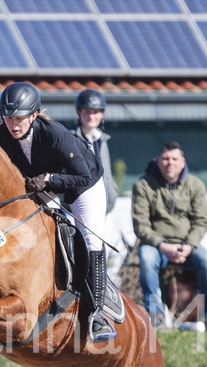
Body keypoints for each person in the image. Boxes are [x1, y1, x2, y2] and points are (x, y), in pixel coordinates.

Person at [0, 82, 115, 342]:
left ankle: (97, 315)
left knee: (91, 239)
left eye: (19, 119)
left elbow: (81, 176)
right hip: (43, 185)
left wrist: (48, 180)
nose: (13, 125)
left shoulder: (54, 134)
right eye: (8, 118)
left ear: (34, 115)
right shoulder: (2, 135)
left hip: (84, 185)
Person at [131, 142, 207, 330]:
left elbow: (201, 221)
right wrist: (162, 245)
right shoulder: (144, 184)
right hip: (156, 245)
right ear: (159, 161)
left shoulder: (195, 185)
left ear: (182, 161)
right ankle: (156, 317)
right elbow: (141, 225)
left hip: (188, 245)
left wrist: (189, 245)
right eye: (166, 158)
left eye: (174, 159)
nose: (170, 163)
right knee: (146, 259)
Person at [69, 88, 131, 282]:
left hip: (106, 207)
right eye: (87, 111)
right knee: (81, 254)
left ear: (102, 114)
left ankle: (103, 296)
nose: (91, 115)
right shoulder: (70, 137)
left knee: (105, 256)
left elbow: (107, 173)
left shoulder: (102, 139)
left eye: (95, 111)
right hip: (80, 207)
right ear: (79, 112)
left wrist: (111, 195)